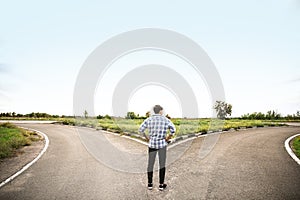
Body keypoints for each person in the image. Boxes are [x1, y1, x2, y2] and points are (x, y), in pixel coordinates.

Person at [139, 105, 176, 191]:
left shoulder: (149, 119)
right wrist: (168, 138)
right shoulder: (166, 120)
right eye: (162, 110)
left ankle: (150, 184)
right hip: (162, 145)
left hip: (152, 144)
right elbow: (173, 130)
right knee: (162, 165)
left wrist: (146, 138)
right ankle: (161, 185)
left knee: (150, 164)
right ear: (160, 111)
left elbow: (141, 130)